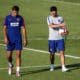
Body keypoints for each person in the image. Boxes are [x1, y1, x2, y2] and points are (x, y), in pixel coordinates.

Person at [3, 5, 27, 76]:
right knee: (9, 56)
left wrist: (25, 39)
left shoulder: (20, 18)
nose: (14, 14)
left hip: (18, 39)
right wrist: (5, 37)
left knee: (18, 55)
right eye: (13, 12)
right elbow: (4, 28)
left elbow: (23, 29)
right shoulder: (8, 18)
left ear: (18, 12)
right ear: (11, 11)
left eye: (16, 12)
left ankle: (17, 71)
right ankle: (10, 65)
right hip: (9, 39)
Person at [47, 6, 69, 72]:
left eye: (55, 12)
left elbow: (64, 27)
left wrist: (66, 31)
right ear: (50, 12)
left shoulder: (60, 18)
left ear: (56, 11)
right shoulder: (49, 18)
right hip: (52, 39)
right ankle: (52, 66)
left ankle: (63, 67)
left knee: (62, 52)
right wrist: (60, 25)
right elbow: (51, 26)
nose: (54, 13)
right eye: (52, 12)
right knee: (52, 53)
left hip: (60, 38)